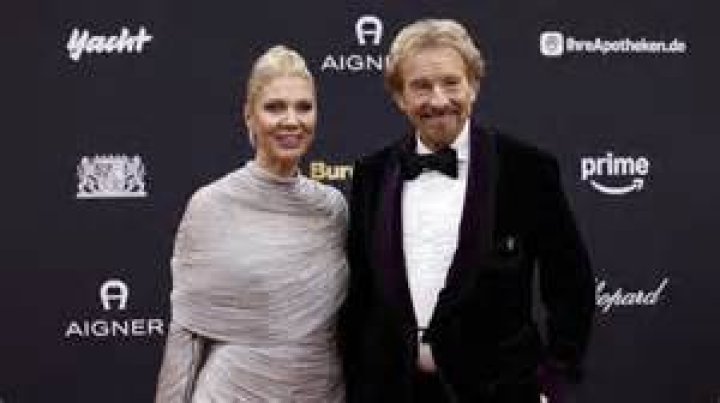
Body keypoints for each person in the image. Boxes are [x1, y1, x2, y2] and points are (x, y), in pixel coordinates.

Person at [340, 19, 595, 402]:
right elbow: (360, 293)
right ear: (399, 96)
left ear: (473, 86)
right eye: (421, 86)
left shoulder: (527, 169)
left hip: (499, 391)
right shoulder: (372, 174)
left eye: (451, 83)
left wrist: (552, 378)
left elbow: (570, 283)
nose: (438, 100)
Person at [155, 45, 348, 402]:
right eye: (275, 107)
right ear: (249, 116)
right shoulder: (210, 205)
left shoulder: (332, 209)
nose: (291, 120)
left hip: (321, 392)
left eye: (304, 107)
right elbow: (187, 334)